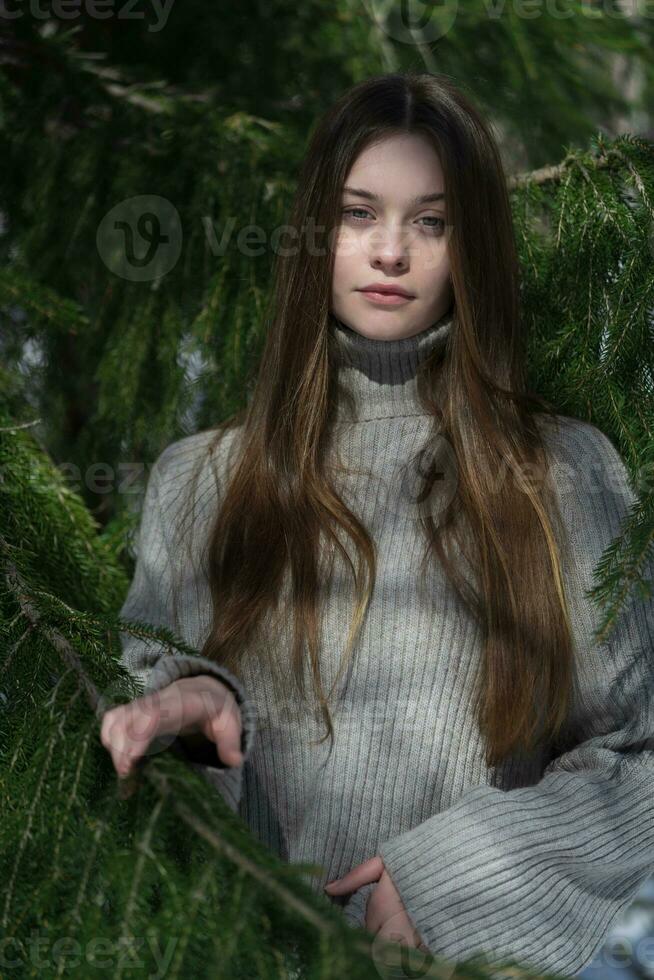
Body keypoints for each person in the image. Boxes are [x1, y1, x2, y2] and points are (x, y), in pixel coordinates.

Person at [100, 70, 654, 978]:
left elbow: (638, 757)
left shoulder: (563, 472)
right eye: (360, 214)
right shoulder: (199, 481)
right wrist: (201, 710)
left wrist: (449, 876)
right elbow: (145, 737)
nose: (390, 251)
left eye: (430, 223)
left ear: (470, 247)